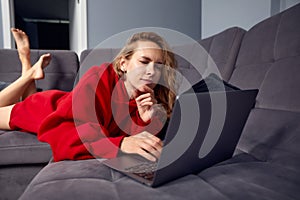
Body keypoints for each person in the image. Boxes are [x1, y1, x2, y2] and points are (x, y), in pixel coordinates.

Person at [0, 28, 177, 162]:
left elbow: (139, 142)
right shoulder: (99, 78)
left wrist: (146, 121)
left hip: (63, 100)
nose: (152, 71)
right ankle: (28, 67)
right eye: (144, 61)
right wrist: (120, 144)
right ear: (124, 63)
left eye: (159, 66)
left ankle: (28, 66)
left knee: (29, 95)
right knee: (20, 102)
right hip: (44, 109)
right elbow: (66, 135)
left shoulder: (148, 102)